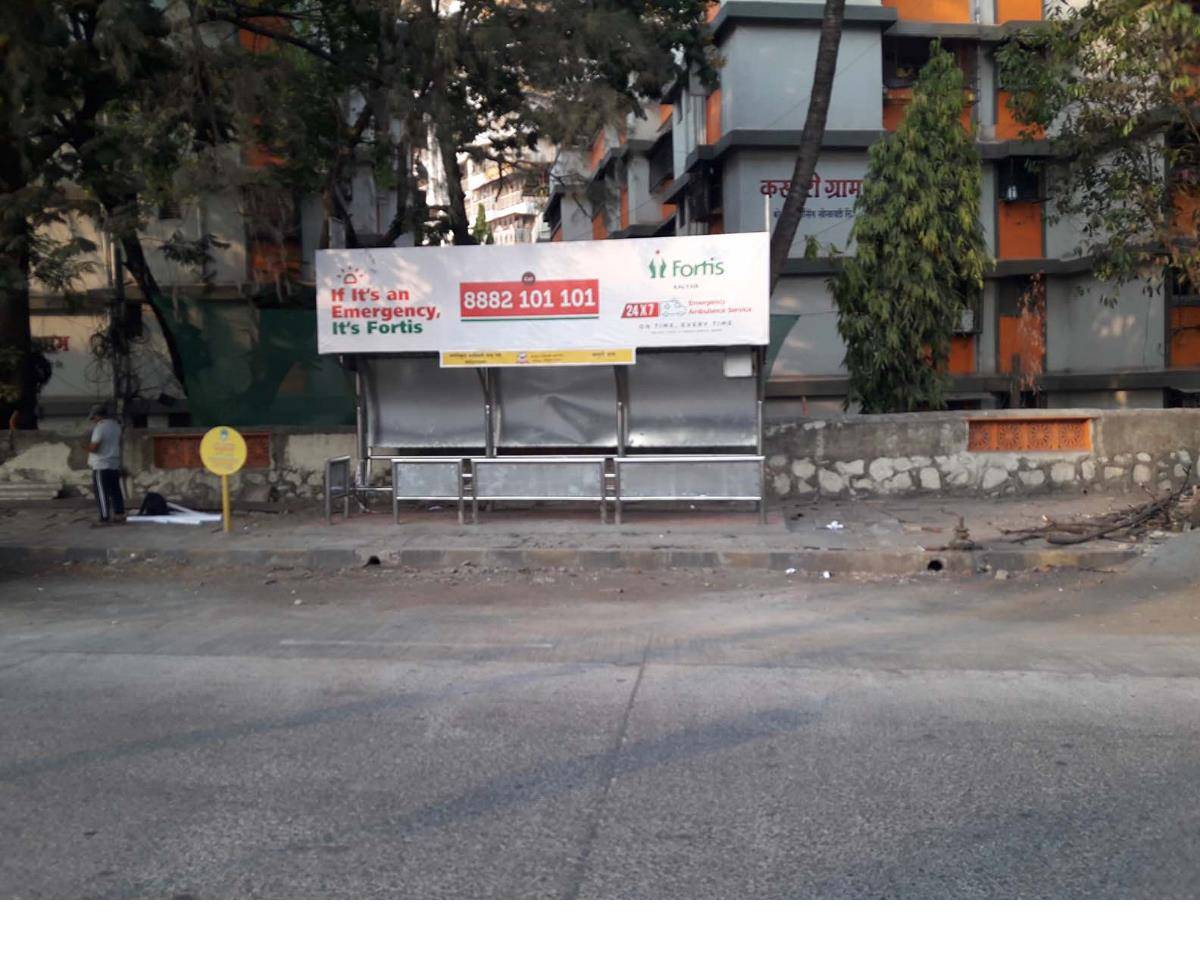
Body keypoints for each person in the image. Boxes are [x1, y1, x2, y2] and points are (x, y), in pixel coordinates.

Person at [85, 402, 125, 525]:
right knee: (115, 490)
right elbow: (120, 443)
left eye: (93, 418)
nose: (93, 420)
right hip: (114, 463)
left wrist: (85, 446)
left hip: (101, 464)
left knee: (101, 492)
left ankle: (104, 517)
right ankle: (119, 515)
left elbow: (94, 447)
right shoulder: (116, 426)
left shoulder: (100, 427)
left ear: (98, 416)